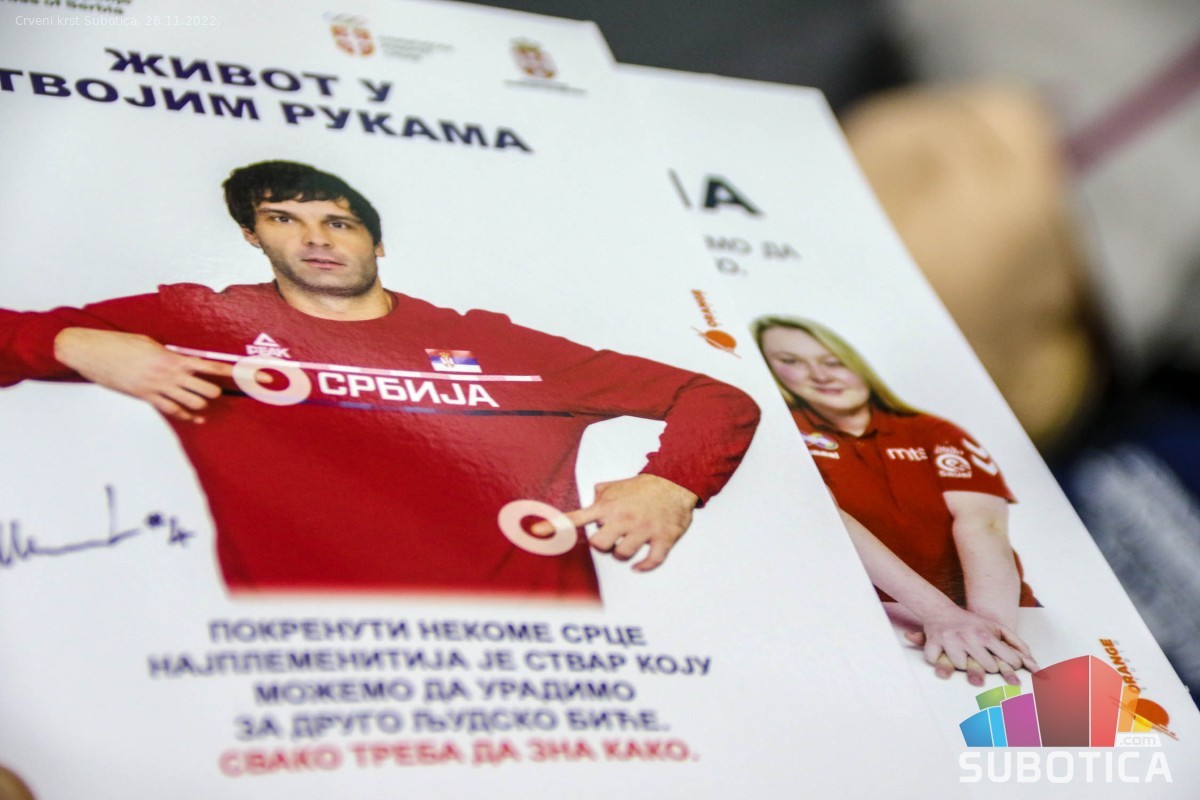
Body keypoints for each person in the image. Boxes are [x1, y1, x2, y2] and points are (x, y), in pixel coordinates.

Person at [0, 161, 760, 603]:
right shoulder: (202, 319)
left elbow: (714, 398)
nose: (315, 239)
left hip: (535, 656)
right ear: (252, 235)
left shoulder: (488, 341)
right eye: (283, 219)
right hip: (321, 657)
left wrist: (669, 484)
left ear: (376, 242)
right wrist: (74, 344)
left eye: (338, 222)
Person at [753, 316, 1037, 685]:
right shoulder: (778, 433)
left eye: (833, 361)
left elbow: (984, 522)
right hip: (873, 624)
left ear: (858, 365)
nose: (820, 375)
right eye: (790, 361)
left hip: (997, 617)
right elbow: (825, 517)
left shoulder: (934, 431)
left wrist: (990, 630)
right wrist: (940, 614)